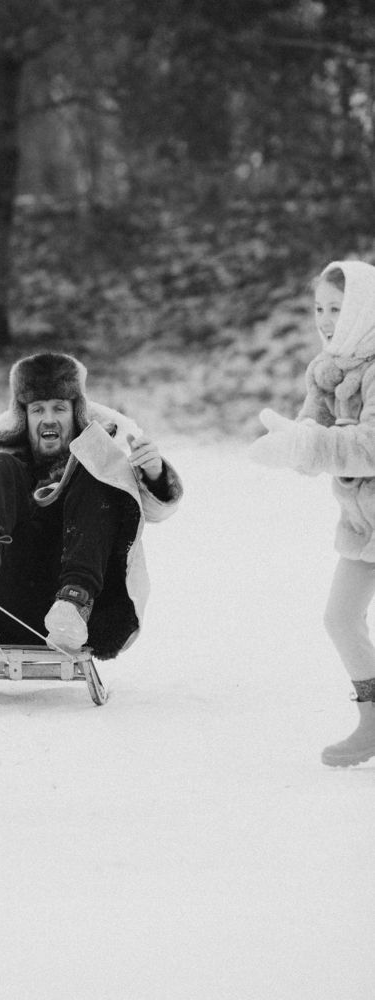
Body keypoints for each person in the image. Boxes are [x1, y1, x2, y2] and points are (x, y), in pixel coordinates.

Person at [0, 351, 183, 696]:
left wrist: (154, 473)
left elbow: (152, 511)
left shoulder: (101, 457)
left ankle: (74, 600)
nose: (49, 418)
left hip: (87, 615)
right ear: (23, 417)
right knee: (0, 469)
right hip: (5, 606)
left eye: (59, 408)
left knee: (93, 463)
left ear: (76, 411)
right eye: (37, 409)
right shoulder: (0, 468)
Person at [250, 259, 375, 767]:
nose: (325, 318)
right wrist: (290, 446)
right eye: (319, 307)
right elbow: (313, 437)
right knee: (340, 618)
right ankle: (372, 723)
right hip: (362, 523)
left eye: (337, 308)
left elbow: (367, 446)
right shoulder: (329, 367)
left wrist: (311, 445)